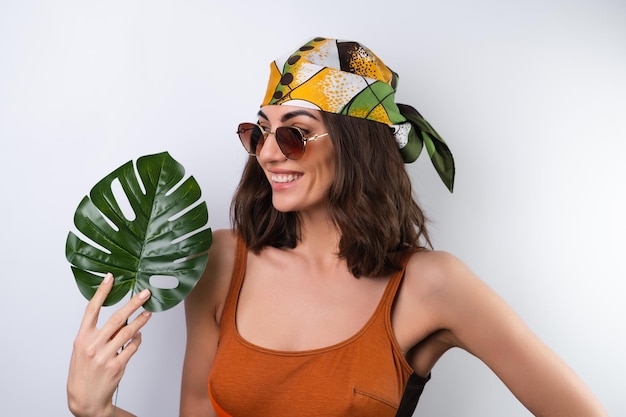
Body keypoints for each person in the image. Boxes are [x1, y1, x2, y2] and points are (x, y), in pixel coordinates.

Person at [67, 37, 608, 417]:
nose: (270, 155)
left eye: (296, 134)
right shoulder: (222, 260)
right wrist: (97, 412)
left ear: (356, 145)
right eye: (259, 133)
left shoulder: (433, 285)